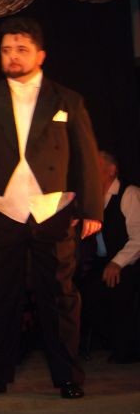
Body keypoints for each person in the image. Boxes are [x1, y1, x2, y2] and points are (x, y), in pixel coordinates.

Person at [0, 17, 103, 399]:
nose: (13, 56)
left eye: (21, 49)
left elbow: (87, 158)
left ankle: (68, 376)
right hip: (0, 209)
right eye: (6, 50)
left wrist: (92, 209)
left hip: (52, 209)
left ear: (40, 55)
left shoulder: (68, 100)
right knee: (0, 296)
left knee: (60, 295)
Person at [79, 151, 140, 363]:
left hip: (129, 260)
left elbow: (138, 238)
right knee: (81, 293)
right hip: (101, 261)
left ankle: (126, 347)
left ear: (111, 170)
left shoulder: (129, 194)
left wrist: (117, 263)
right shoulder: (91, 198)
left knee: (120, 287)